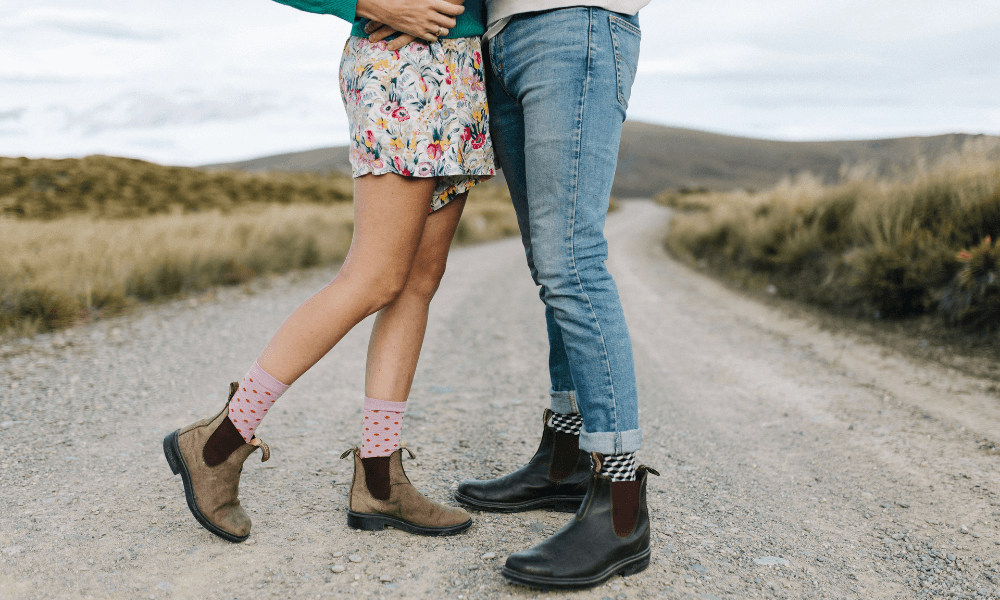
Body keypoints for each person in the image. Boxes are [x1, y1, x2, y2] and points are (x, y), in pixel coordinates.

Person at [162, 0, 494, 542]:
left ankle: (380, 481)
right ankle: (219, 441)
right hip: (402, 69)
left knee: (415, 286)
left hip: (463, 72)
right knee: (373, 278)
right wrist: (369, 3)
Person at [453, 0, 655, 590]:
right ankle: (564, 458)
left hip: (575, 22)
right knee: (551, 264)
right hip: (500, 38)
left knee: (573, 263)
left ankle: (621, 505)